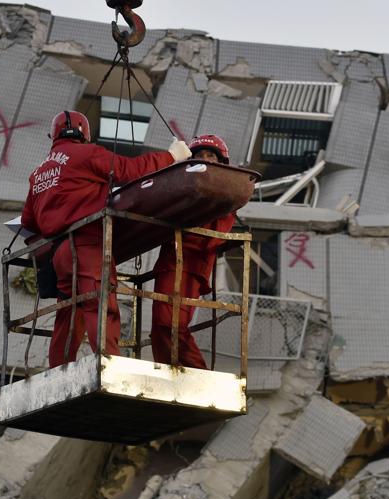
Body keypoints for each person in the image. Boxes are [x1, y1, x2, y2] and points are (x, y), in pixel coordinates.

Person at [22, 110, 192, 367]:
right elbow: (129, 170)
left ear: (54, 135)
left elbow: (28, 222)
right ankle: (110, 366)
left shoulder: (39, 173)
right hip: (88, 245)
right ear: (85, 134)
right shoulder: (87, 154)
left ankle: (58, 369)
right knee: (101, 306)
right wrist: (171, 156)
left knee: (68, 313)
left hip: (60, 254)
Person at [151, 134, 236, 369]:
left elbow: (208, 236)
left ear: (221, 162)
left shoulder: (227, 192)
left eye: (211, 156)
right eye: (200, 156)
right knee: (159, 329)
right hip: (172, 261)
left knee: (171, 324)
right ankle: (168, 375)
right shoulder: (185, 189)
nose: (205, 160)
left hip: (190, 264)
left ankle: (199, 374)